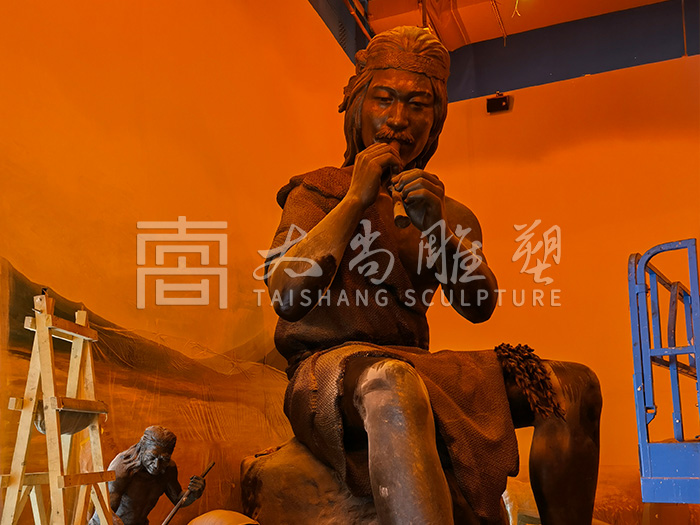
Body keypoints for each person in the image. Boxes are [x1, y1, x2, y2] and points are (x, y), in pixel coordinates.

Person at [264, 26, 601, 525]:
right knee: (392, 383)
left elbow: (479, 307)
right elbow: (286, 295)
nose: (399, 119)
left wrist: (437, 229)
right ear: (358, 107)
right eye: (384, 99)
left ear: (436, 119)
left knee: (572, 385)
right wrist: (355, 199)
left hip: (416, 365)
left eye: (418, 104)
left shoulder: (447, 212)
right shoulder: (317, 191)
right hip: (328, 373)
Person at [90, 426, 206, 525]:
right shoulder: (124, 467)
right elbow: (104, 512)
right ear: (142, 448)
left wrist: (193, 494)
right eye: (152, 457)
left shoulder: (168, 469)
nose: (156, 465)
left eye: (164, 459)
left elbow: (178, 499)